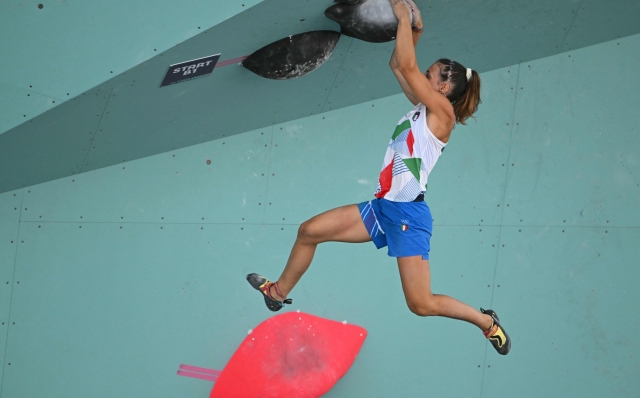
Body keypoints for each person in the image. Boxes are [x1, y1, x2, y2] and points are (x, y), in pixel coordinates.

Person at [247, 0, 510, 355]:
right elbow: (397, 64)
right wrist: (414, 31)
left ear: (444, 89)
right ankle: (277, 293)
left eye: (429, 74)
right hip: (383, 208)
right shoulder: (422, 108)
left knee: (421, 304)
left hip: (407, 217)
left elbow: (405, 63)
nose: (423, 75)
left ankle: (486, 322)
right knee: (309, 231)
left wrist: (402, 16)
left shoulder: (442, 115)